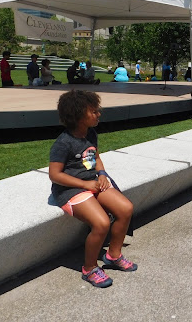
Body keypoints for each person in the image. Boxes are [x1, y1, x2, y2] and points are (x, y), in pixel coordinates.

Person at [48, 90, 137, 288]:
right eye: (94, 111)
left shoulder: (90, 133)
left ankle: (113, 255)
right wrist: (85, 185)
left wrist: (102, 174)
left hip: (93, 183)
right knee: (101, 223)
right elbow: (55, 175)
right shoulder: (63, 143)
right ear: (77, 115)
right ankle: (89, 268)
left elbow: (95, 157)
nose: (98, 113)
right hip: (69, 189)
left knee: (125, 209)